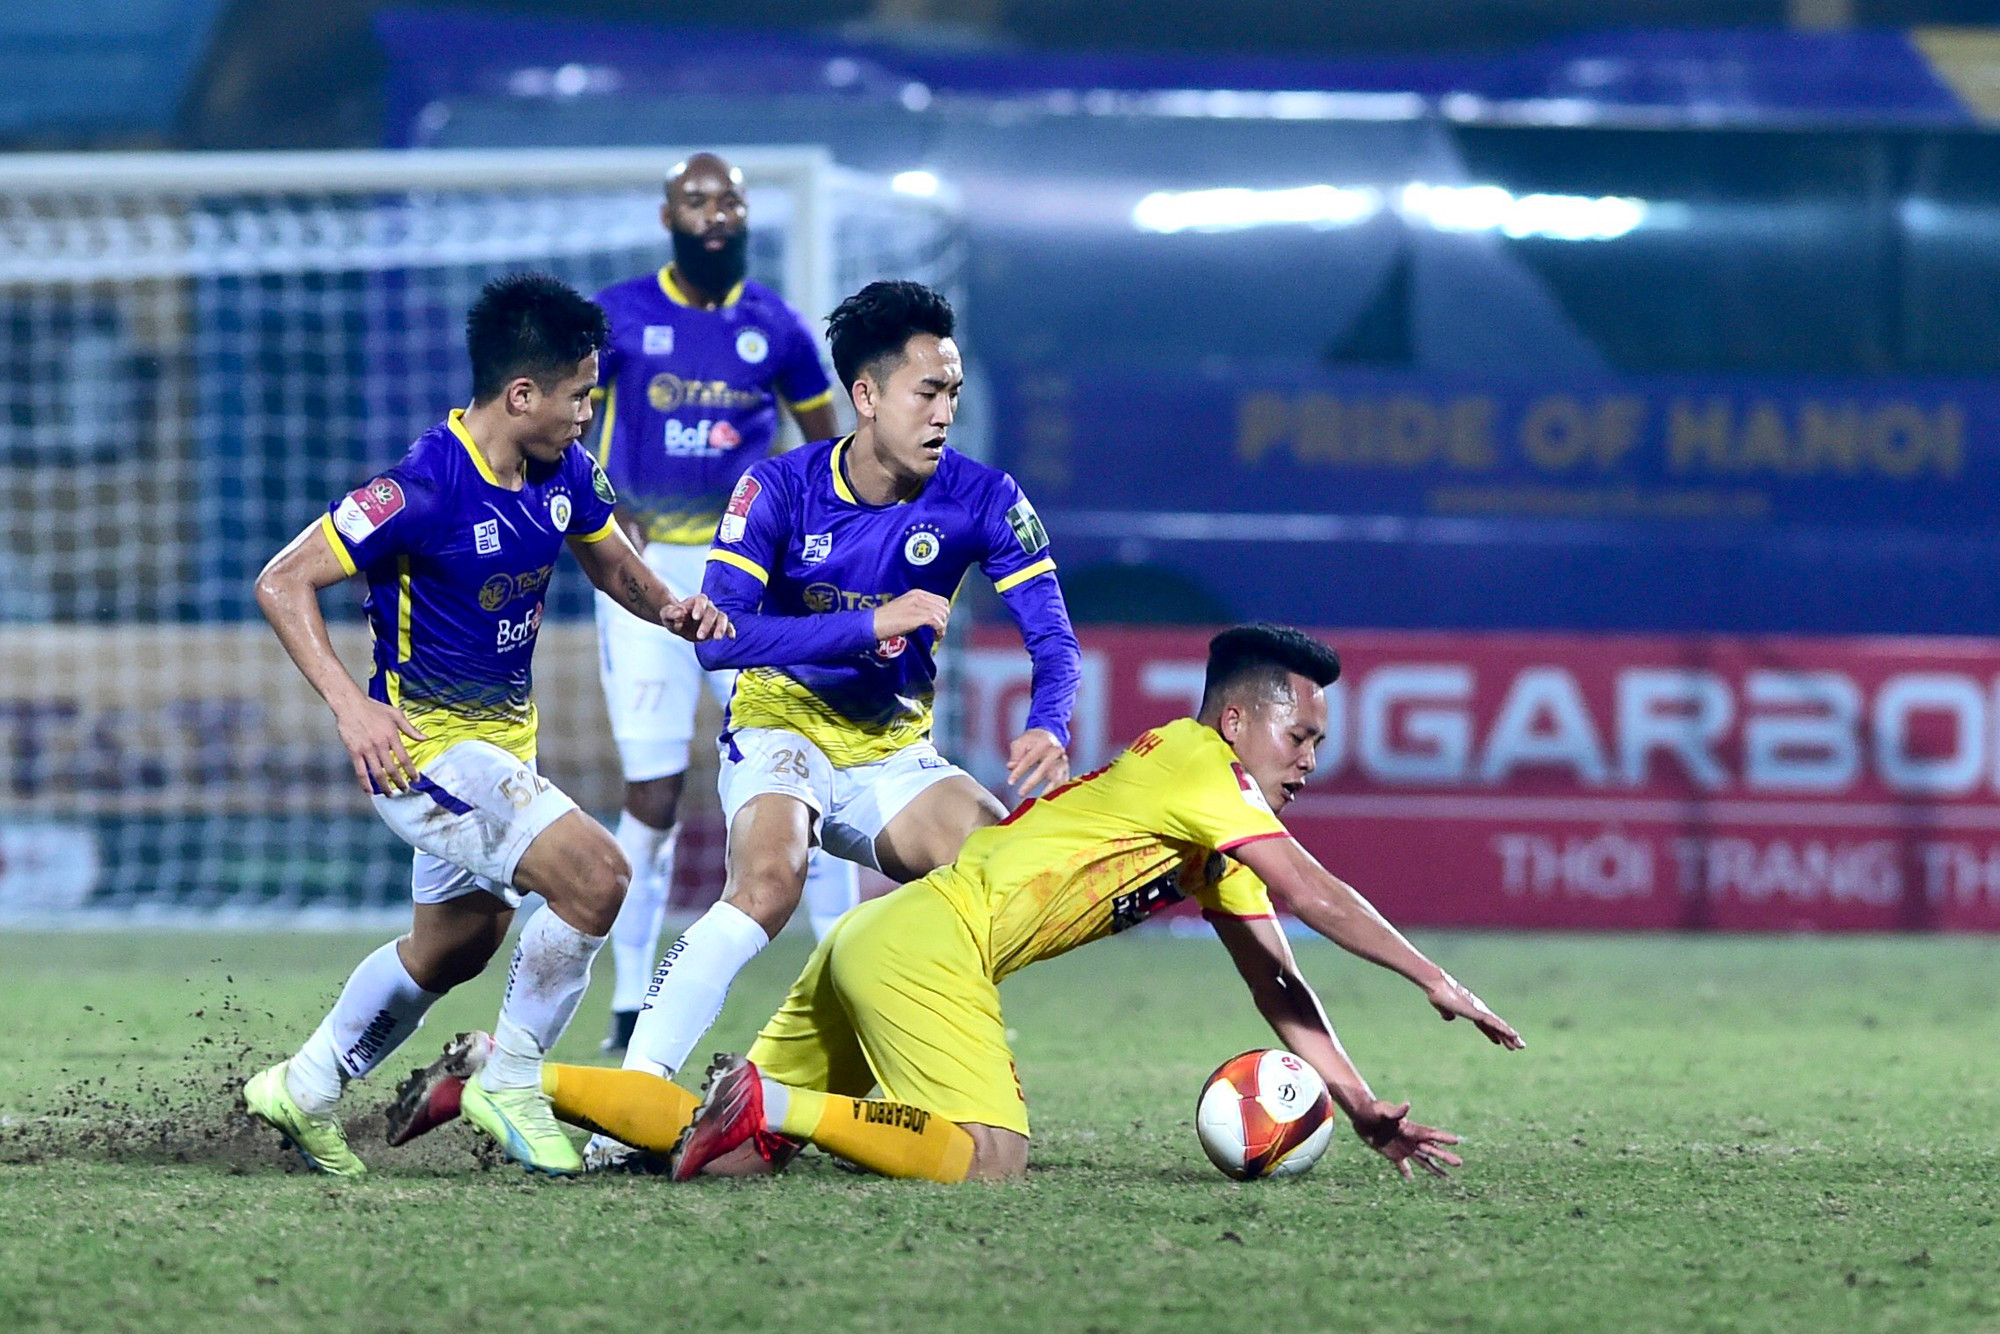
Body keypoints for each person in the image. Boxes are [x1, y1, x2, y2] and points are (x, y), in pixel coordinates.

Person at [390, 280, 1082, 1169]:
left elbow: (1053, 639)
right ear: (866, 398)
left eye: (951, 392)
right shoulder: (779, 486)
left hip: (893, 750)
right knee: (769, 882)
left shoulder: (984, 497)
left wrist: (1050, 722)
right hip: (778, 724)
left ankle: (892, 1071)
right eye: (927, 392)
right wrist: (869, 624)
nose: (944, 411)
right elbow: (723, 639)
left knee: (1000, 875)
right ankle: (629, 1107)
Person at [528, 625, 1523, 1183]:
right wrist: (1436, 979)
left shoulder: (1205, 827)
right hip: (932, 945)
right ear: (1236, 719)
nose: (1310, 756)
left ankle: (505, 1078)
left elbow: (1277, 975)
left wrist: (1354, 1103)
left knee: (736, 1164)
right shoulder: (1198, 761)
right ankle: (770, 1099)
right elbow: (1314, 889)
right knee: (989, 1159)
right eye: (1299, 734)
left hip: (881, 936)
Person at [240, 272, 729, 1179]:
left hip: (502, 746)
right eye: (580, 393)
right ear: (521, 394)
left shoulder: (563, 472)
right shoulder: (423, 486)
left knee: (455, 945)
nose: (589, 409)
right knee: (598, 877)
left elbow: (613, 559)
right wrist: (353, 707)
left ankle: (301, 1088)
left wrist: (671, 609)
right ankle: (510, 1079)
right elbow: (282, 580)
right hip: (425, 751)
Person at [588, 152, 858, 1055]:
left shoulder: (775, 327)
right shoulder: (622, 316)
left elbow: (831, 450)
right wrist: (602, 520)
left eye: (728, 200)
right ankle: (629, 1008)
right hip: (646, 572)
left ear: (745, 216)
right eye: (696, 199)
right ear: (668, 212)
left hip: (748, 579)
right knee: (655, 795)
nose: (714, 212)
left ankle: (851, 987)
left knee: (800, 774)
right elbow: (568, 428)